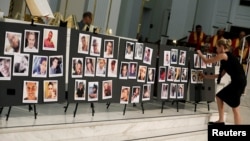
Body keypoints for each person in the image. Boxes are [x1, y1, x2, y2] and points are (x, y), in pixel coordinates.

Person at [197, 38, 246, 125]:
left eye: (217, 48)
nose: (216, 50)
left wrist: (200, 53)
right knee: (220, 97)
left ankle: (224, 122)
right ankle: (221, 120)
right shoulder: (227, 58)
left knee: (235, 108)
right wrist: (205, 76)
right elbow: (220, 75)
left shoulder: (224, 55)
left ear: (222, 47)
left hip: (238, 82)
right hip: (238, 82)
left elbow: (207, 61)